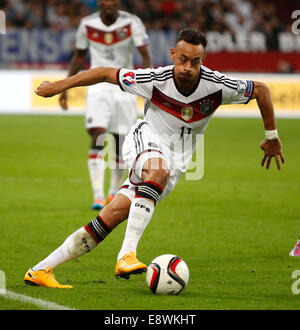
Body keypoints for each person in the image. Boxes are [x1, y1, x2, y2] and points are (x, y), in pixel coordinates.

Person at [24, 28, 284, 288]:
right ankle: (127, 255)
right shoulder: (155, 78)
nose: (187, 68)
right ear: (173, 54)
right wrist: (60, 85)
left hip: (176, 164)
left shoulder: (216, 86)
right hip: (143, 141)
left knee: (109, 217)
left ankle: (41, 270)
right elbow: (104, 73)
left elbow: (261, 89)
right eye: (182, 59)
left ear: (202, 61)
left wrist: (271, 135)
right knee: (158, 171)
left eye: (195, 62)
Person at [60, 0, 151, 210]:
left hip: (123, 85)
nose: (109, 3)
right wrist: (65, 87)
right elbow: (80, 57)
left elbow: (145, 55)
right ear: (99, 2)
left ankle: (113, 192)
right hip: (97, 86)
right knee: (98, 135)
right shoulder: (87, 24)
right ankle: (98, 195)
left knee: (120, 140)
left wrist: (146, 87)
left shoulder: (132, 23)